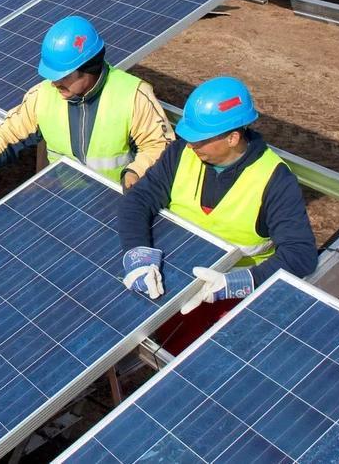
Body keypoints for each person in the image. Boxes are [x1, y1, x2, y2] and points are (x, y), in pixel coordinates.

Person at [117, 76, 318, 354]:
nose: (190, 145)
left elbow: (300, 254)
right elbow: (139, 199)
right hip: (166, 277)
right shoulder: (181, 153)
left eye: (199, 140)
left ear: (233, 138)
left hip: (227, 301)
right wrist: (137, 254)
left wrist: (240, 282)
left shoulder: (274, 179)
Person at [0, 16, 173, 210]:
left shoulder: (133, 95)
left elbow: (160, 145)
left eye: (63, 76)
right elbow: (7, 133)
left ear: (89, 68)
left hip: (119, 201)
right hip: (64, 201)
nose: (55, 83)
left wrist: (135, 171)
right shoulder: (42, 95)